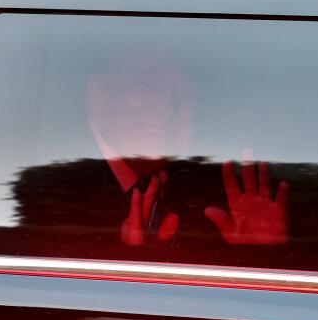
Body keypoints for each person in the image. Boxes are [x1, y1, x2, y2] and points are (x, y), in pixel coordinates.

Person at [85, 52, 290, 252]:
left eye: (182, 97)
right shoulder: (58, 196)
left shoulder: (212, 195)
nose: (167, 110)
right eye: (149, 87)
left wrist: (261, 251)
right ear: (99, 94)